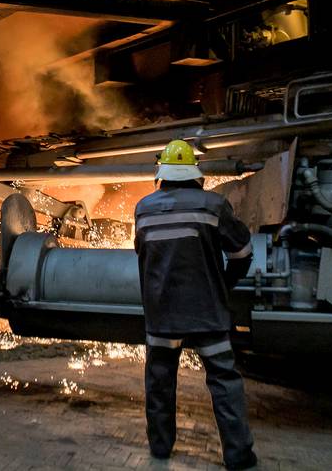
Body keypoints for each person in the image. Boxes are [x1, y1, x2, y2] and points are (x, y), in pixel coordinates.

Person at [133, 140, 258, 470]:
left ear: (163, 173)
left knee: (159, 381)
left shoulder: (143, 208)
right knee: (224, 381)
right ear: (194, 174)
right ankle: (238, 455)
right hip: (207, 312)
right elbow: (242, 254)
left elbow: (142, 254)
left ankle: (160, 448)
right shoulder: (213, 205)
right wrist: (223, 286)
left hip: (161, 313)